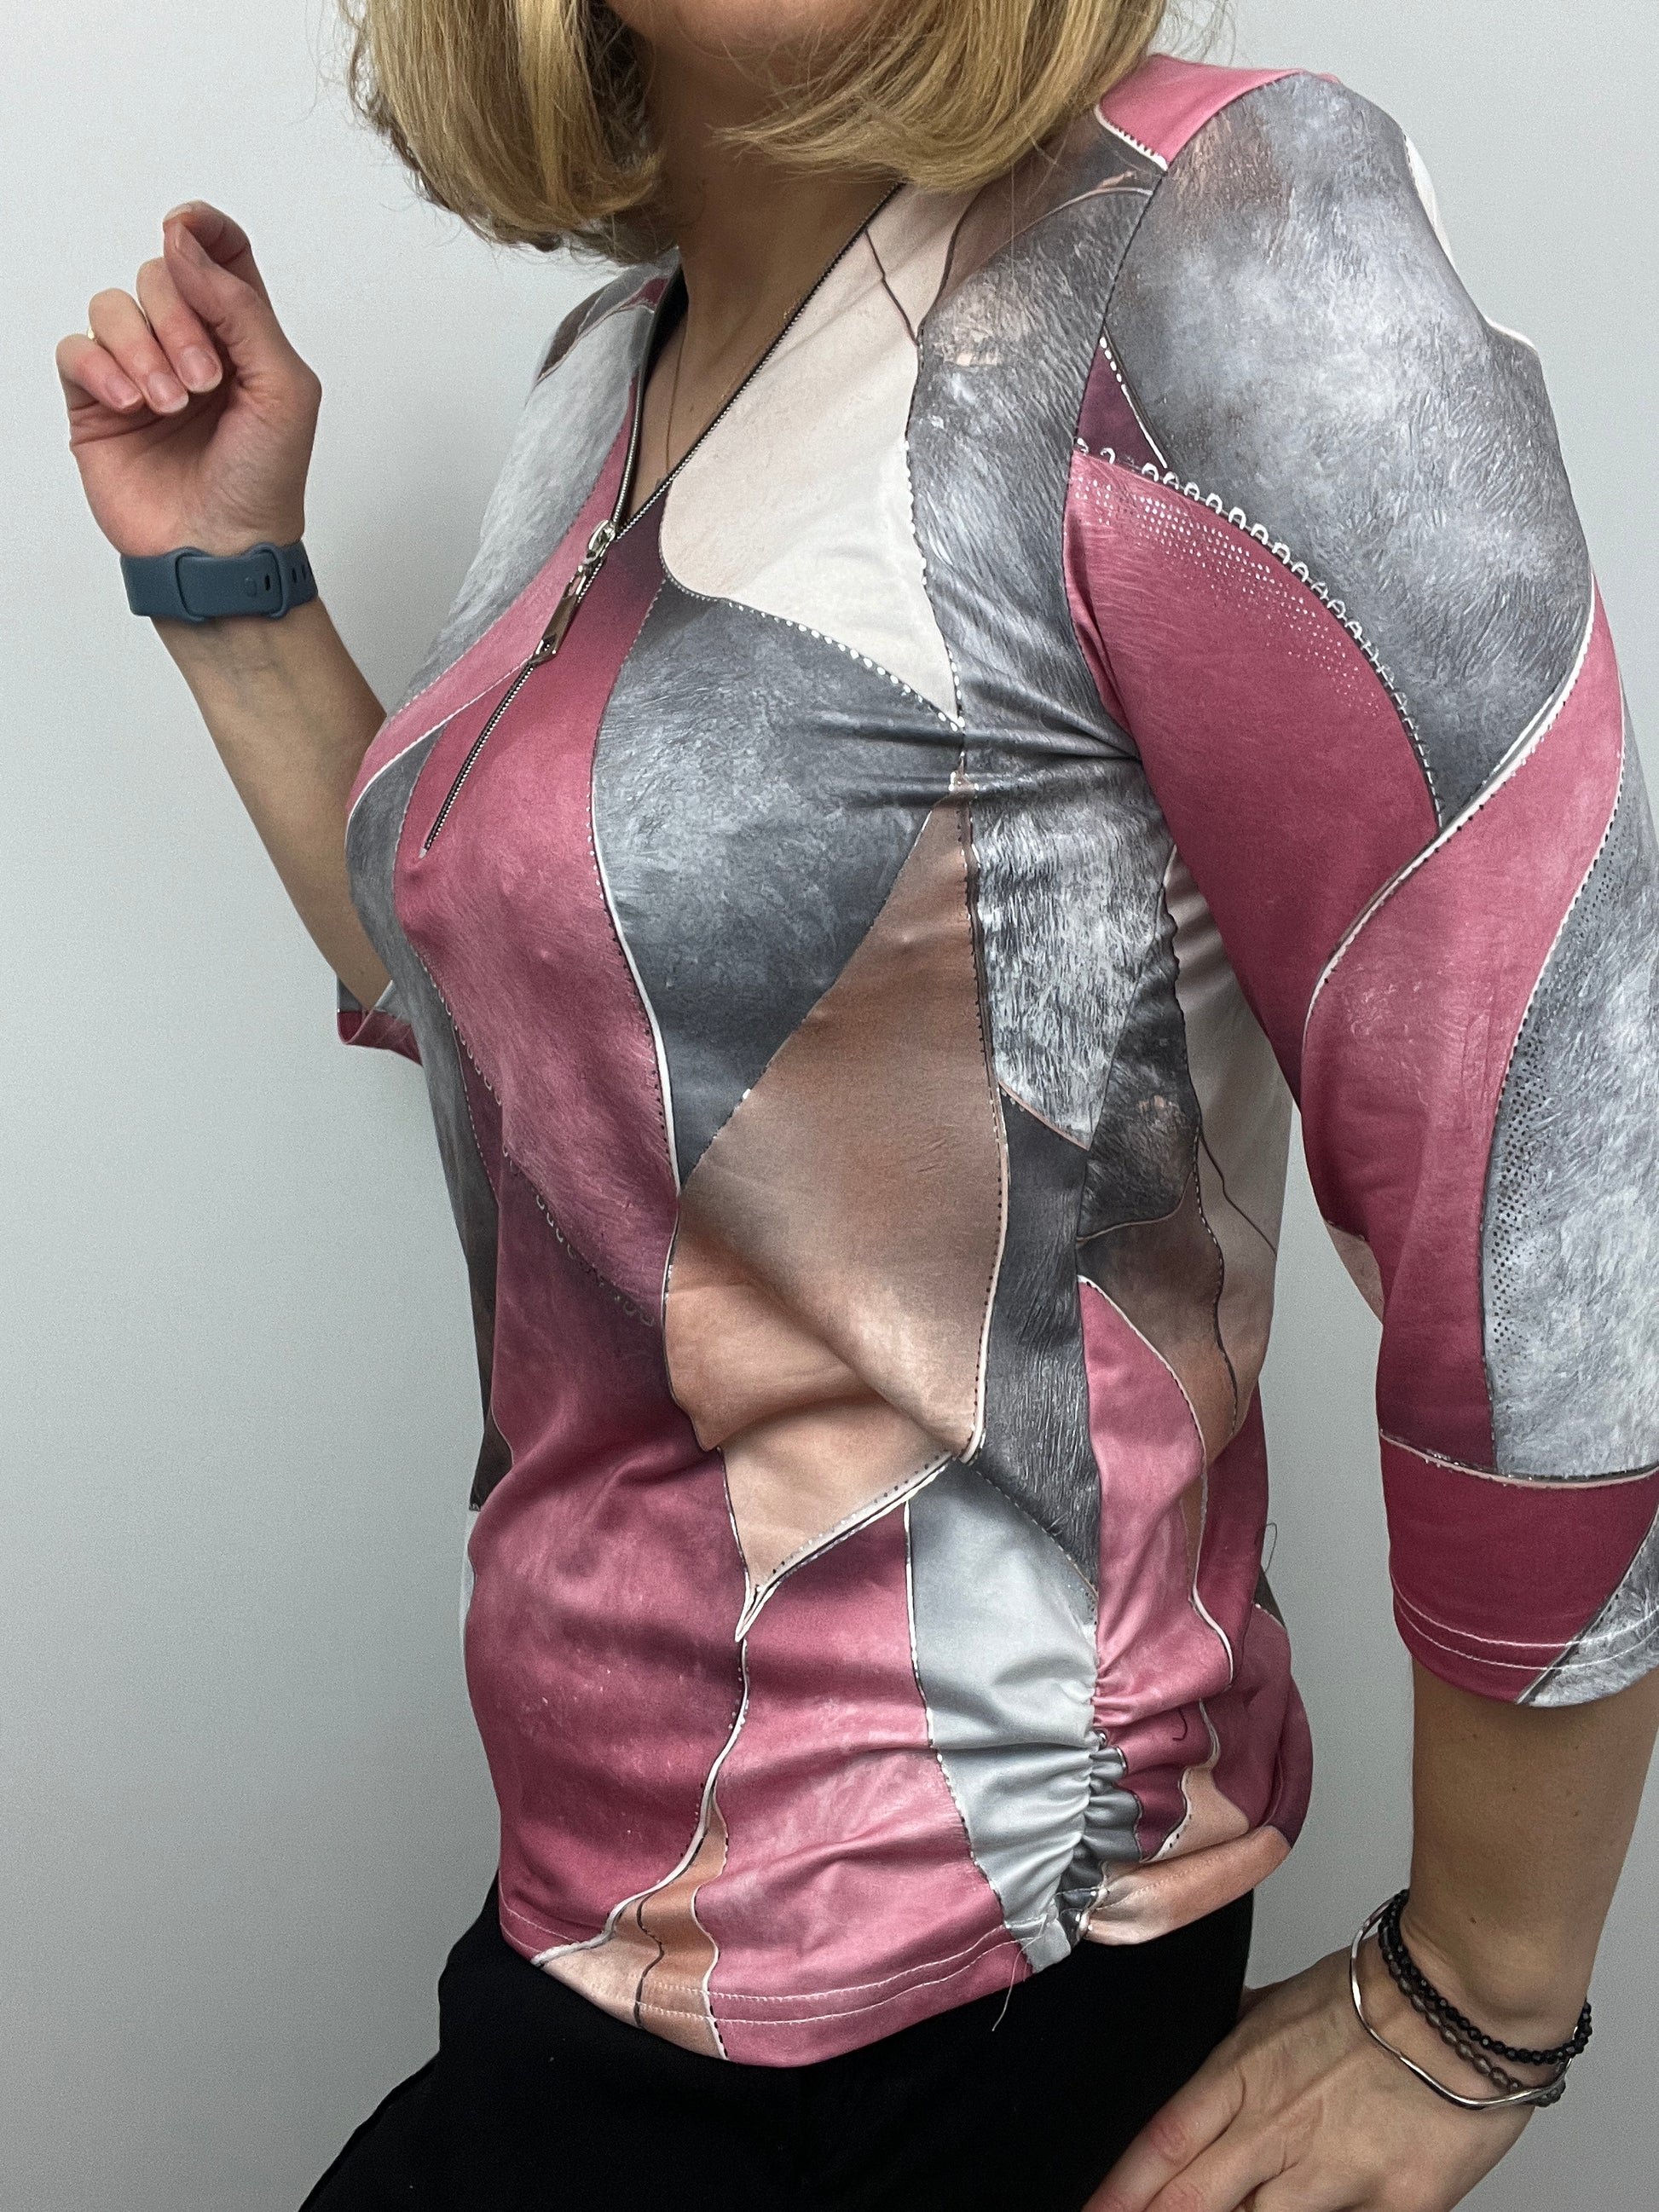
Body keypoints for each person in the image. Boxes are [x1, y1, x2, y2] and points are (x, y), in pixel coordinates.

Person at [56, 3, 1659, 2207]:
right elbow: (580, 1065)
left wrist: (1481, 1995)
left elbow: (1558, 1132)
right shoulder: (601, 383)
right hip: (601, 1908)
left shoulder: (1198, 237)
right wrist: (229, 590)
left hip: (955, 1968)